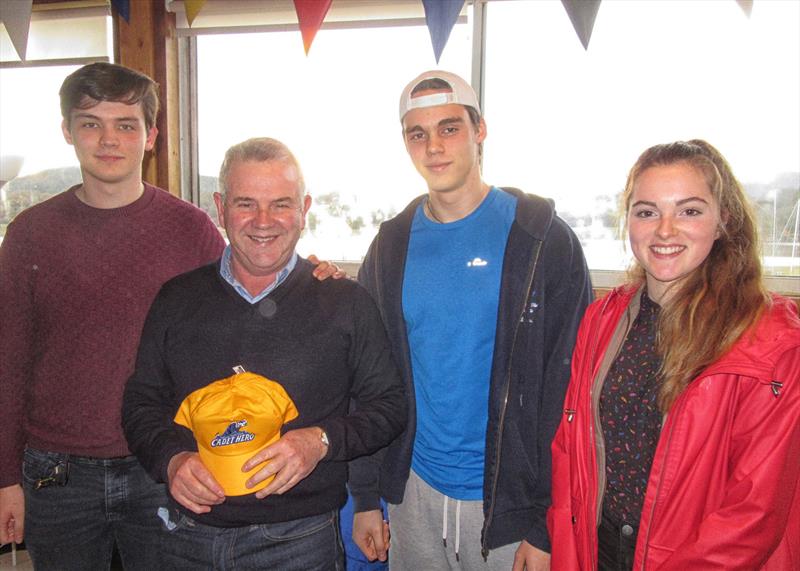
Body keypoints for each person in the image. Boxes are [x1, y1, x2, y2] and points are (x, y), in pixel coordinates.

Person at [121, 137, 407, 570]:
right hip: (185, 535)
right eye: (246, 204)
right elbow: (141, 404)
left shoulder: (346, 302)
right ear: (220, 207)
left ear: (304, 209)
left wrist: (319, 441)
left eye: (281, 204)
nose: (263, 221)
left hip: (299, 538)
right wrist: (171, 459)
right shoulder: (175, 299)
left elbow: (389, 406)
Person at [349, 70, 592, 570]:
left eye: (449, 128)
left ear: (480, 131)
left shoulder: (542, 239)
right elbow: (368, 378)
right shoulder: (391, 246)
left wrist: (546, 522)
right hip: (412, 491)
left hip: (510, 502)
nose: (434, 146)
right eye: (418, 133)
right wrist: (368, 496)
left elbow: (571, 390)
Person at [0, 62, 227, 570]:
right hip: (55, 476)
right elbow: (7, 361)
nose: (108, 140)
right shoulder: (29, 234)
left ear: (150, 136)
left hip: (163, 466)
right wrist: (4, 478)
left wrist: (317, 278)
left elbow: (246, 309)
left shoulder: (191, 230)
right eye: (90, 123)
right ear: (67, 132)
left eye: (125, 124)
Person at [547, 139, 800, 570]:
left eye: (689, 210)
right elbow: (571, 452)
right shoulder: (602, 320)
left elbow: (754, 512)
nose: (665, 230)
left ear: (723, 220)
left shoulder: (770, 342)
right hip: (602, 550)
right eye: (647, 211)